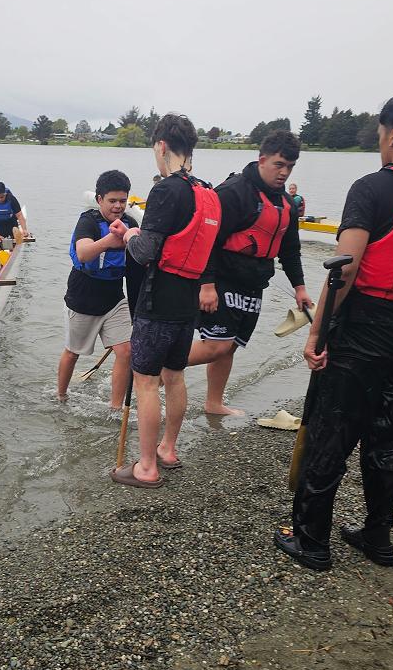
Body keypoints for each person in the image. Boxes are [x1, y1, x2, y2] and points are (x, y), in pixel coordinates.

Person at [275, 87, 393, 572]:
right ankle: (377, 536)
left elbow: (343, 270)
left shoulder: (372, 189)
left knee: (333, 430)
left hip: (366, 329)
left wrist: (316, 334)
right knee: (390, 435)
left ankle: (312, 541)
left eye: (382, 132)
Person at [110, 114, 221, 487]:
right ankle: (168, 450)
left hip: (157, 302)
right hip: (187, 303)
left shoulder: (166, 190)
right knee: (174, 377)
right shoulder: (208, 193)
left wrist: (130, 235)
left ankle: (146, 467)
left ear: (161, 146)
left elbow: (145, 252)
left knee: (145, 382)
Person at [188, 130, 313, 415]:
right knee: (216, 346)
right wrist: (206, 285)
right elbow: (206, 239)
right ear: (262, 160)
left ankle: (213, 403)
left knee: (230, 346)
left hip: (253, 284)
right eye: (279, 165)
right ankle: (154, 367)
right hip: (220, 279)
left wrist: (300, 288)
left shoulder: (286, 204)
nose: (284, 173)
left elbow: (290, 250)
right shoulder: (234, 192)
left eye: (290, 166)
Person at [58, 170, 142, 408]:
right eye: (112, 201)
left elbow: (139, 262)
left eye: (122, 201)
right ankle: (61, 396)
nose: (118, 206)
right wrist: (110, 241)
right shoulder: (88, 222)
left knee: (126, 351)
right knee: (73, 353)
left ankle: (115, 407)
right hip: (82, 298)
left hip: (115, 299)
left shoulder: (131, 223)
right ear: (99, 199)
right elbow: (83, 254)